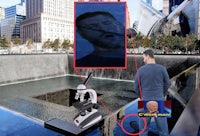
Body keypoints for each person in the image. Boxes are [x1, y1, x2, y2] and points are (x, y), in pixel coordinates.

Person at [134, 49, 171, 136]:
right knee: (164, 131)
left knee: (143, 131)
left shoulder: (140, 70)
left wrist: (141, 96)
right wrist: (163, 95)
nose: (143, 60)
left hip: (144, 102)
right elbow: (167, 83)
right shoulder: (162, 69)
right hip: (160, 101)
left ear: (147, 56)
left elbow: (136, 87)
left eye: (144, 58)